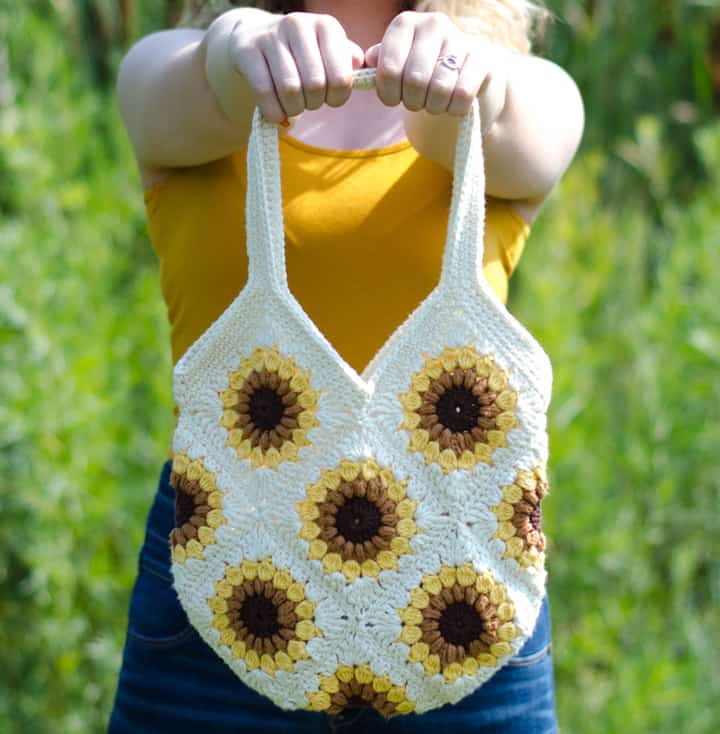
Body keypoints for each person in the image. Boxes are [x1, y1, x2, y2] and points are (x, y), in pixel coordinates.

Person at [108, 1, 584, 731]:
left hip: (461, 594)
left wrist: (462, 71)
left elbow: (493, 125)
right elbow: (207, 92)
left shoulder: (531, 89)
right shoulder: (172, 65)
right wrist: (242, 48)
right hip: (222, 584)